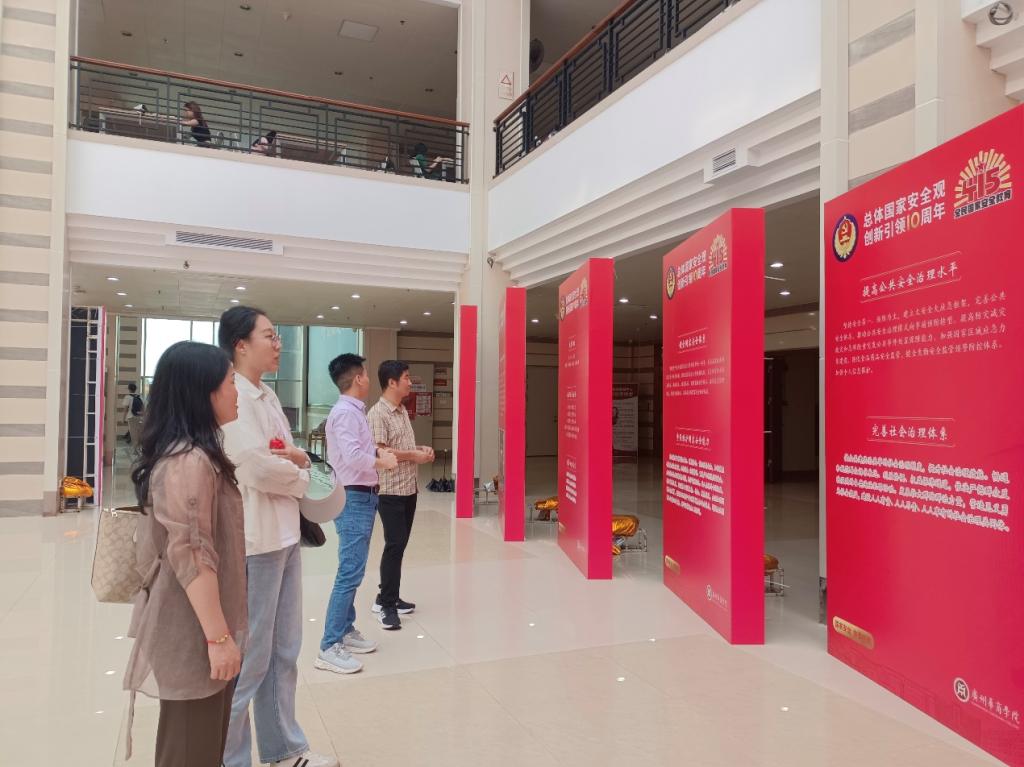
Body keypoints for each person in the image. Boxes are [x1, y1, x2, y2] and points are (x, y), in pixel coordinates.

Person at [218, 307, 338, 767]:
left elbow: (286, 456)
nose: (278, 344)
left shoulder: (266, 395)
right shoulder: (233, 396)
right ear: (240, 345)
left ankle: (284, 748)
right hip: (256, 542)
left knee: (284, 650)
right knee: (250, 658)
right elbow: (256, 466)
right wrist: (302, 476)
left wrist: (296, 463)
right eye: (269, 336)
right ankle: (231, 758)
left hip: (286, 537)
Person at [123, 341, 246, 767]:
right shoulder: (187, 463)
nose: (236, 392)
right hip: (191, 628)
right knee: (191, 749)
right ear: (202, 392)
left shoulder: (198, 455)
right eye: (230, 382)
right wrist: (218, 639)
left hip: (202, 626)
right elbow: (193, 556)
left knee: (203, 746)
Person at [315, 354, 397, 674]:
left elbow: (358, 449)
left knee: (354, 569)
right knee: (349, 571)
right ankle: (329, 645)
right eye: (365, 374)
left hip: (361, 495)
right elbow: (351, 456)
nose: (368, 379)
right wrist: (381, 462)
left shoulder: (353, 411)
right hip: (354, 497)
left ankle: (345, 630)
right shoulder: (346, 413)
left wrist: (376, 451)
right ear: (358, 378)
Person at [367, 360, 434, 630]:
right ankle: (385, 605)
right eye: (406, 377)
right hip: (390, 491)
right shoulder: (378, 414)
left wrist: (420, 449)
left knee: (400, 545)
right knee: (394, 545)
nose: (410, 382)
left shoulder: (402, 410)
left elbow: (401, 447)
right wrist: (413, 456)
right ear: (391, 382)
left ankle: (389, 595)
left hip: (408, 488)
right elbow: (381, 451)